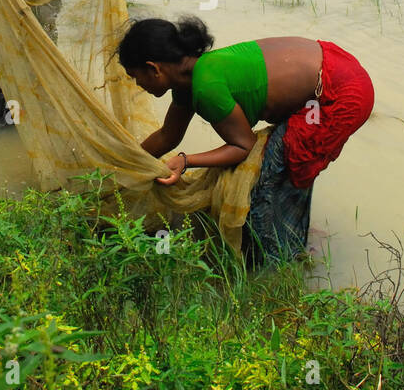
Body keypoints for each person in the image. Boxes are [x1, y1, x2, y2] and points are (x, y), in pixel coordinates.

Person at [117, 16, 374, 265]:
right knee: (279, 164)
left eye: (135, 76)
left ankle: (280, 261)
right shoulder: (191, 76)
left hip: (339, 92)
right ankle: (293, 237)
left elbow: (243, 146)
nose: (138, 84)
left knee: (273, 174)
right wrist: (126, 164)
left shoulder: (207, 87)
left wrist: (185, 161)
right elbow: (167, 136)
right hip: (335, 64)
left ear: (154, 68)